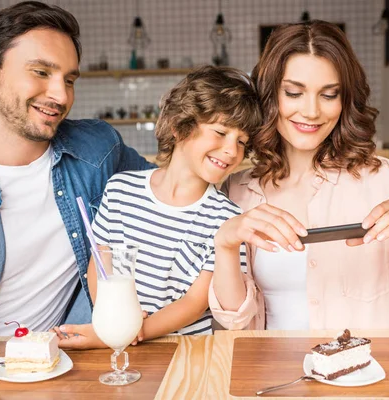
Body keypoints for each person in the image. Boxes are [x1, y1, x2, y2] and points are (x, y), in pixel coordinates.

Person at [0, 1, 154, 336]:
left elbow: (172, 189)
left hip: (65, 365)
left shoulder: (97, 149)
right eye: (41, 72)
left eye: (70, 79)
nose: (60, 95)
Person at [209, 20, 389, 330]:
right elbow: (232, 319)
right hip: (270, 376)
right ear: (269, 96)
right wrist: (225, 243)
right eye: (293, 93)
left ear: (345, 99)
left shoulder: (384, 179)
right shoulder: (238, 190)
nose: (311, 111)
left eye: (329, 95)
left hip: (367, 374)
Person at [53, 65, 262, 348]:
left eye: (241, 142)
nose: (231, 150)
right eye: (220, 132)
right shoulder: (120, 189)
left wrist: (133, 330)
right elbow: (100, 265)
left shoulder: (227, 216)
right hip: (115, 339)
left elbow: (195, 302)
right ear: (179, 126)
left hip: (186, 352)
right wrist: (112, 318)